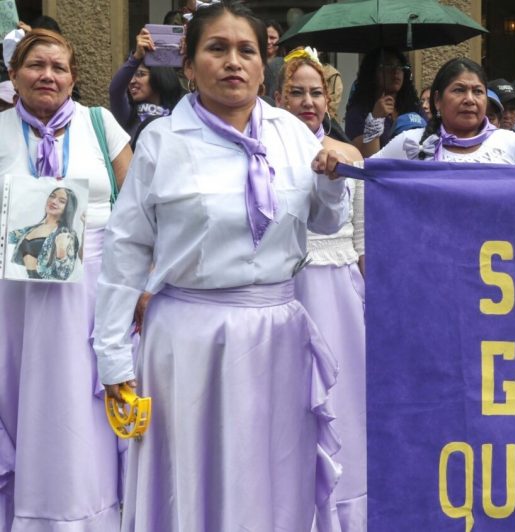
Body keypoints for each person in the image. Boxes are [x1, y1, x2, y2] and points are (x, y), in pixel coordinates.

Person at [92, 3, 354, 530]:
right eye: (217, 49)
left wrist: (332, 178)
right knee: (192, 480)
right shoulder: (162, 141)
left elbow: (325, 224)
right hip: (189, 340)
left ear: (264, 65)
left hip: (277, 334)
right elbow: (125, 252)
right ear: (188, 65)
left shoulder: (293, 134)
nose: (233, 62)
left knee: (272, 476)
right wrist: (114, 358)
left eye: (246, 51)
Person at [0, 28, 131, 531]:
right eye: (35, 66)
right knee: (22, 397)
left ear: (74, 78)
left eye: (59, 67)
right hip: (17, 298)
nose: (47, 75)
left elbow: (139, 208)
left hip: (93, 291)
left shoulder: (101, 125)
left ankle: (92, 512)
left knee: (85, 401)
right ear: (14, 75)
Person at [274, 46, 368, 532]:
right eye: (297, 92)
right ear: (278, 96)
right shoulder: (267, 153)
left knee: (342, 402)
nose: (308, 101)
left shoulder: (351, 155)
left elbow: (361, 238)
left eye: (316, 92)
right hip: (286, 290)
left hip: (340, 295)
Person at [374, 58, 515, 164]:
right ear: (437, 100)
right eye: (459, 90)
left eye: (478, 91)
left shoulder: (514, 144)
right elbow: (362, 178)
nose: (470, 99)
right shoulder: (410, 143)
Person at [108, 27, 185, 136]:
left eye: (140, 74)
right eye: (130, 76)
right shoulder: (128, 114)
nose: (132, 81)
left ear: (160, 75)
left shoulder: (181, 110)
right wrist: (136, 57)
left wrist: (191, 55)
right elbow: (115, 90)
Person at [345, 47, 421, 157]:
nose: (396, 71)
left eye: (400, 66)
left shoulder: (414, 106)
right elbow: (367, 158)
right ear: (373, 72)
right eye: (388, 65)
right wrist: (375, 119)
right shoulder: (358, 112)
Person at [7, 186, 80, 280]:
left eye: (61, 201)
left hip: (45, 287)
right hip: (22, 282)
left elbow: (64, 275)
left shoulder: (66, 234)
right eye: (52, 196)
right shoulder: (31, 229)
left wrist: (61, 251)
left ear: (69, 208)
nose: (53, 201)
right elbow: (6, 237)